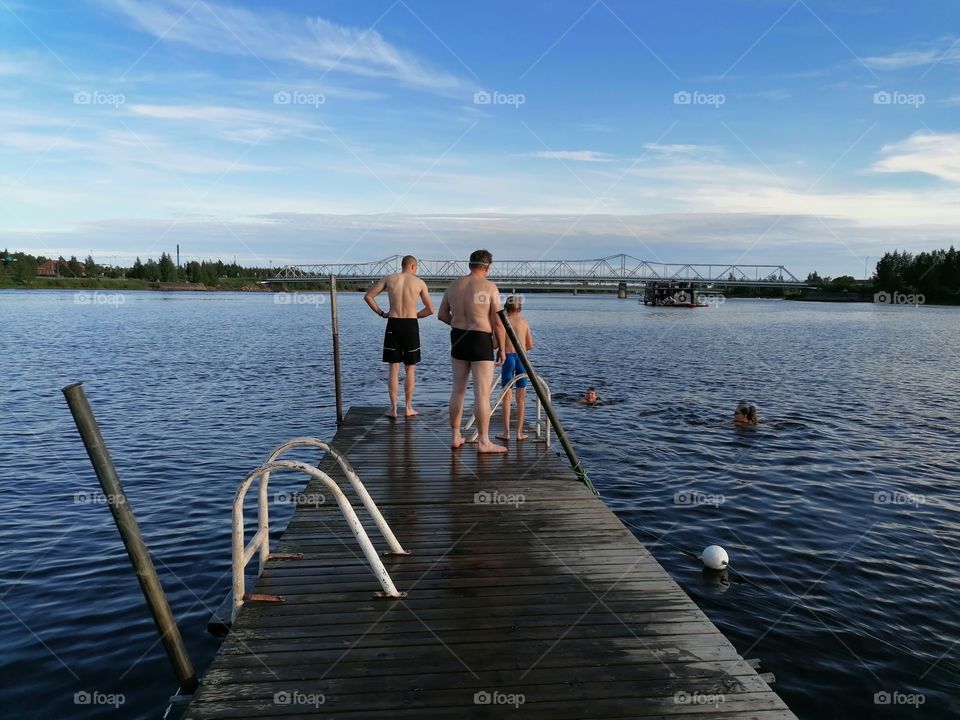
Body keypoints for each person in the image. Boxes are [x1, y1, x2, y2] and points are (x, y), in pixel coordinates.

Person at [437, 249, 507, 453]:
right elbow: (498, 323)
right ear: (487, 267)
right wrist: (501, 348)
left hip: (458, 337)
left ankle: (456, 436)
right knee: (482, 394)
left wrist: (459, 325)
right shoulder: (489, 287)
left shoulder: (453, 285)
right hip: (480, 339)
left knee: (458, 389)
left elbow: (442, 315)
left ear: (470, 265)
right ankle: (484, 442)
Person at [364, 255, 434, 418]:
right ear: (412, 266)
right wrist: (415, 315)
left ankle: (394, 409)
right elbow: (430, 309)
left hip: (393, 323)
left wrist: (382, 313)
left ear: (402, 265)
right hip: (410, 325)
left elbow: (368, 297)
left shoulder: (389, 278)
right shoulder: (419, 283)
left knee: (393, 369)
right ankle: (408, 408)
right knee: (410, 369)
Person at [497, 295, 534, 441]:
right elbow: (530, 344)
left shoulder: (502, 322)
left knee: (507, 398)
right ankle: (519, 433)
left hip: (508, 358)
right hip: (521, 359)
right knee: (521, 399)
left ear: (505, 308)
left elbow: (495, 344)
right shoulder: (524, 322)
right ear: (520, 309)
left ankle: (506, 433)